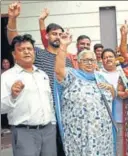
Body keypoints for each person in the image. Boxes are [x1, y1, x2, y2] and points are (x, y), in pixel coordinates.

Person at [6, 2, 72, 156]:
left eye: (60, 34)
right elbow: (16, 41)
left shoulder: (68, 61)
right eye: (54, 33)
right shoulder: (38, 54)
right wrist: (12, 19)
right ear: (47, 36)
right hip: (43, 118)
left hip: (64, 116)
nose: (58, 37)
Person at [54, 31, 116, 156]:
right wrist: (63, 46)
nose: (90, 63)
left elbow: (112, 97)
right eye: (86, 60)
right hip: (79, 133)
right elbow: (58, 71)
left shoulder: (100, 77)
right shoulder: (72, 75)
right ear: (78, 61)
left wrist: (111, 88)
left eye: (92, 60)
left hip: (101, 134)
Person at [1, 34, 57, 156]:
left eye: (29, 49)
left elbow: (49, 101)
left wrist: (53, 123)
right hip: (24, 132)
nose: (26, 52)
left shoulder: (42, 75)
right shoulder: (7, 76)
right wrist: (12, 95)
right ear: (14, 55)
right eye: (21, 50)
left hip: (48, 131)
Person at [99, 48, 123, 156]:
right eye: (105, 57)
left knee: (120, 147)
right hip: (103, 119)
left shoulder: (122, 73)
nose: (108, 59)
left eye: (110, 56)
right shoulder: (97, 75)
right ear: (102, 60)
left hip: (120, 116)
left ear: (115, 58)